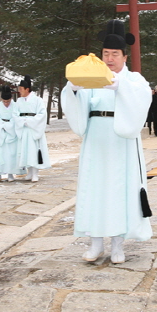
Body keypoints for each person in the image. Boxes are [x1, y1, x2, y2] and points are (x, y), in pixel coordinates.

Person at [61, 20, 152, 264]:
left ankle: (118, 245)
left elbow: (142, 100)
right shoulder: (92, 77)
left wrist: (120, 86)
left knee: (119, 191)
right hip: (96, 140)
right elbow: (76, 106)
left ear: (124, 57)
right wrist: (74, 89)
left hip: (120, 141)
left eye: (114, 54)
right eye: (105, 54)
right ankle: (95, 243)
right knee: (95, 190)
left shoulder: (134, 80)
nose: (109, 59)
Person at [13, 75, 50, 182]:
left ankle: (35, 173)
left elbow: (42, 114)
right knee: (25, 150)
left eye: (21, 89)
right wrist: (21, 121)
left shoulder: (37, 100)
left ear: (27, 89)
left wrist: (30, 121)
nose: (19, 91)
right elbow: (15, 114)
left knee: (34, 150)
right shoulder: (19, 101)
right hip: (24, 128)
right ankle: (29, 172)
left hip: (33, 128)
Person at [0, 85, 21, 181]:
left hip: (11, 131)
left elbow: (16, 118)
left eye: (8, 101)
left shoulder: (15, 106)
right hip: (0, 131)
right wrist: (2, 126)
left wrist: (8, 126)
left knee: (11, 154)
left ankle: (10, 173)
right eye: (4, 101)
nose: (6, 103)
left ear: (11, 99)